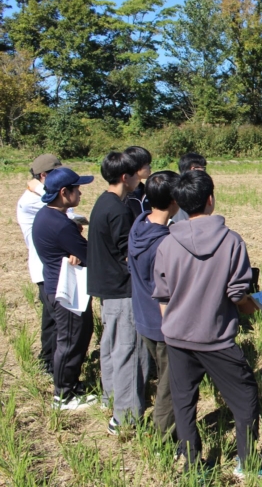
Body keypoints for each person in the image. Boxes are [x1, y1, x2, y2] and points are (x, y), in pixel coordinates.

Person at [152, 170, 262, 479]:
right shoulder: (231, 242)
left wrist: (171, 327)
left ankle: (194, 467)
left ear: (180, 203)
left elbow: (162, 295)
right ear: (210, 199)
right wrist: (255, 306)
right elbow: (238, 295)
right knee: (245, 397)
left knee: (184, 402)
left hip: (177, 338)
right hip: (216, 339)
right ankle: (247, 464)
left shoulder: (167, 244)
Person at [87, 151, 150, 434]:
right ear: (126, 177)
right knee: (129, 351)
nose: (140, 178)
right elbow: (128, 254)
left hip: (106, 287)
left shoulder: (104, 202)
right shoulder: (120, 210)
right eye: (136, 174)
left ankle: (110, 397)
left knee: (112, 346)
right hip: (122, 289)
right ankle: (124, 418)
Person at [31, 167, 97, 410]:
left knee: (69, 339)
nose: (80, 193)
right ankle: (64, 395)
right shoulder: (60, 225)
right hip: (65, 292)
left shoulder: (46, 216)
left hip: (52, 284)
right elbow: (89, 254)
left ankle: (69, 384)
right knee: (70, 342)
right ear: (63, 192)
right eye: (76, 189)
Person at [128, 170, 180, 439]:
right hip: (162, 324)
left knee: (161, 376)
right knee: (170, 386)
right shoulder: (164, 243)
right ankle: (163, 438)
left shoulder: (139, 224)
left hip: (143, 318)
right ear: (174, 200)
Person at [17, 154, 66, 376]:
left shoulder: (38, 194)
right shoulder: (34, 200)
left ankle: (48, 360)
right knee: (56, 321)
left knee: (51, 319)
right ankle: (53, 365)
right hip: (47, 267)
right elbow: (69, 218)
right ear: (44, 175)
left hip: (46, 265)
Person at [171, 152, 207, 223]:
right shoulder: (193, 188)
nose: (205, 172)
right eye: (203, 168)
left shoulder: (175, 185)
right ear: (193, 169)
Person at [124, 146, 153, 216]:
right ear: (135, 165)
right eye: (147, 164)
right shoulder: (124, 195)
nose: (150, 167)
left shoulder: (146, 191)